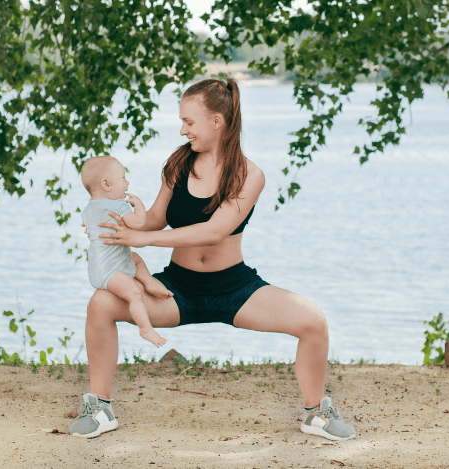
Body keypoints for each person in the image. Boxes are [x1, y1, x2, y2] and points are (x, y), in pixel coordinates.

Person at [69, 78, 356, 441]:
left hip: (235, 288)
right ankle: (100, 408)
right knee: (101, 303)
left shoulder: (250, 175)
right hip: (178, 289)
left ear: (216, 121)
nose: (182, 129)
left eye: (189, 122)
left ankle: (317, 413)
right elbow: (156, 217)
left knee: (313, 320)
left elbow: (215, 231)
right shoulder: (177, 164)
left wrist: (141, 239)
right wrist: (111, 223)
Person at [80, 155, 172, 348]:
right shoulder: (117, 205)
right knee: (133, 294)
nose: (127, 182)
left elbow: (90, 228)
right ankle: (145, 328)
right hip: (111, 272)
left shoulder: (89, 209)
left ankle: (150, 283)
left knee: (135, 259)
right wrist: (138, 205)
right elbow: (138, 224)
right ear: (106, 184)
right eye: (122, 178)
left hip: (99, 267)